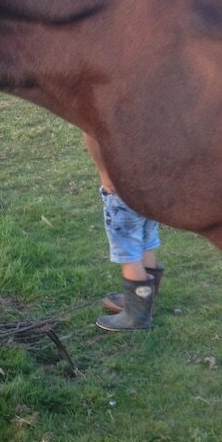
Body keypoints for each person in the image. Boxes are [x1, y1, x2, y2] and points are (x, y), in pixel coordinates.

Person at [83, 133, 164, 332]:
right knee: (147, 241)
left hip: (120, 184)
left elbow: (91, 134)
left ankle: (136, 317)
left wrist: (104, 172)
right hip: (150, 180)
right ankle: (144, 301)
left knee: (129, 252)